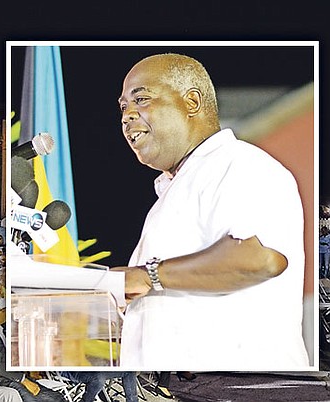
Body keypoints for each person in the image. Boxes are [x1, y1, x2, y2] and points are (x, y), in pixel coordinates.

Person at [113, 53, 308, 368]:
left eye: (142, 100)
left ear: (191, 102)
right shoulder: (173, 191)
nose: (127, 116)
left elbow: (258, 259)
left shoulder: (241, 164)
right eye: (123, 107)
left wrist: (148, 277)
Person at [0, 295, 62, 402]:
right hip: (4, 380)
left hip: (14, 376)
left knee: (56, 397)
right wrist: (23, 380)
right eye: (3, 310)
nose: (7, 313)